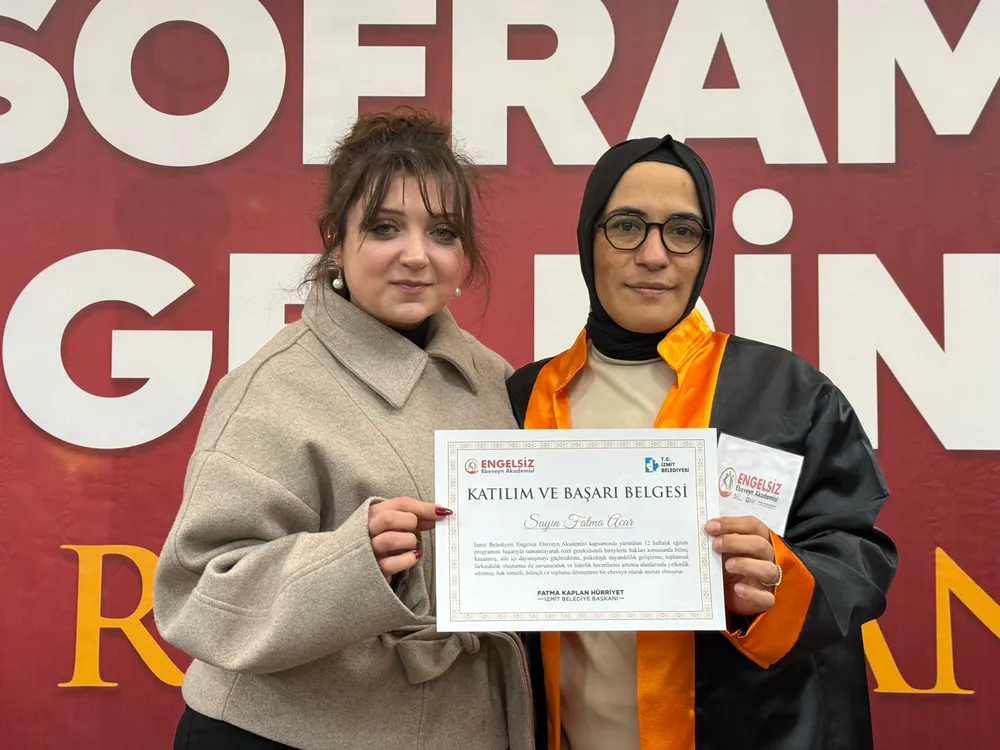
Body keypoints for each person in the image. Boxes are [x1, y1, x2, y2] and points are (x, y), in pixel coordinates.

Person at [153, 110, 535, 750]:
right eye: (385, 228)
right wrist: (353, 561)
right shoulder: (274, 388)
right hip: (280, 737)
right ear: (335, 238)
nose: (416, 255)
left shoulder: (492, 379)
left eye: (442, 232)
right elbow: (196, 590)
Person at [506, 135, 897, 750]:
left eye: (682, 231)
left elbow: (857, 556)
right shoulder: (523, 399)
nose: (654, 255)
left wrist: (774, 581)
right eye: (626, 226)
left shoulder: (786, 394)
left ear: (705, 249)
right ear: (587, 238)